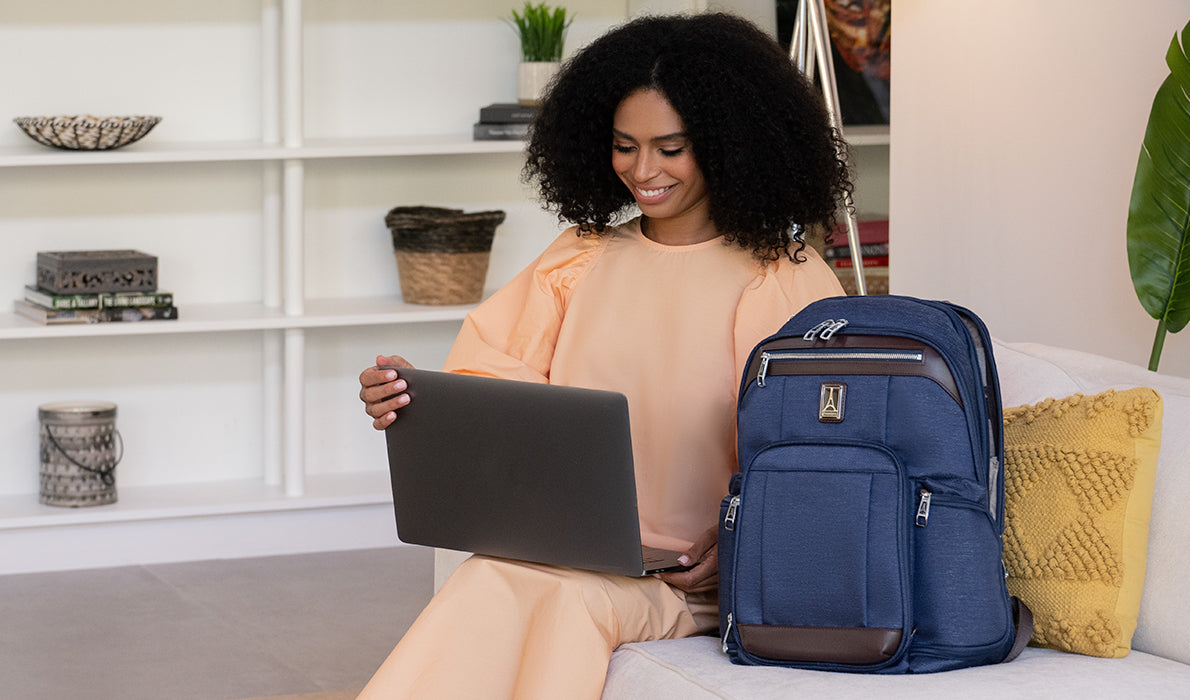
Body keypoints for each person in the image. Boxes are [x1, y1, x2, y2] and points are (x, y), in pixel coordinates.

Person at [355, 11, 852, 699]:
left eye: (670, 148)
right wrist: (412, 397)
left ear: (731, 145)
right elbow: (491, 386)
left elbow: (820, 455)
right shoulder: (580, 257)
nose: (641, 171)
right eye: (624, 145)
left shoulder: (781, 277)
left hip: (698, 581)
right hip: (574, 553)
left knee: (560, 601)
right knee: (492, 575)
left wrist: (734, 537)